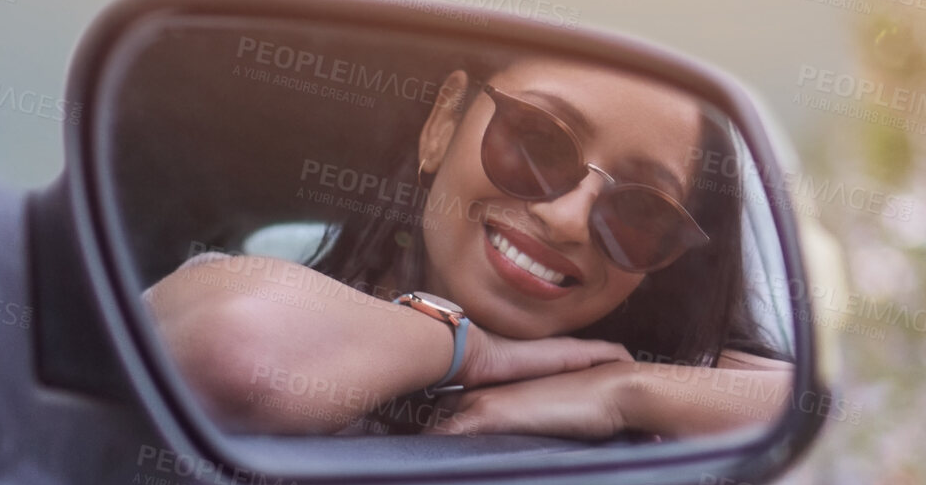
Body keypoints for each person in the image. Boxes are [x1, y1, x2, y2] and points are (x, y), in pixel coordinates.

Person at [145, 56, 793, 441]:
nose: (567, 218)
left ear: (661, 263)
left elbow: (829, 411)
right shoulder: (269, 276)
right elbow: (234, 344)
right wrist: (467, 349)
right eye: (537, 141)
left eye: (642, 211)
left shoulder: (663, 384)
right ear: (441, 124)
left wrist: (622, 390)